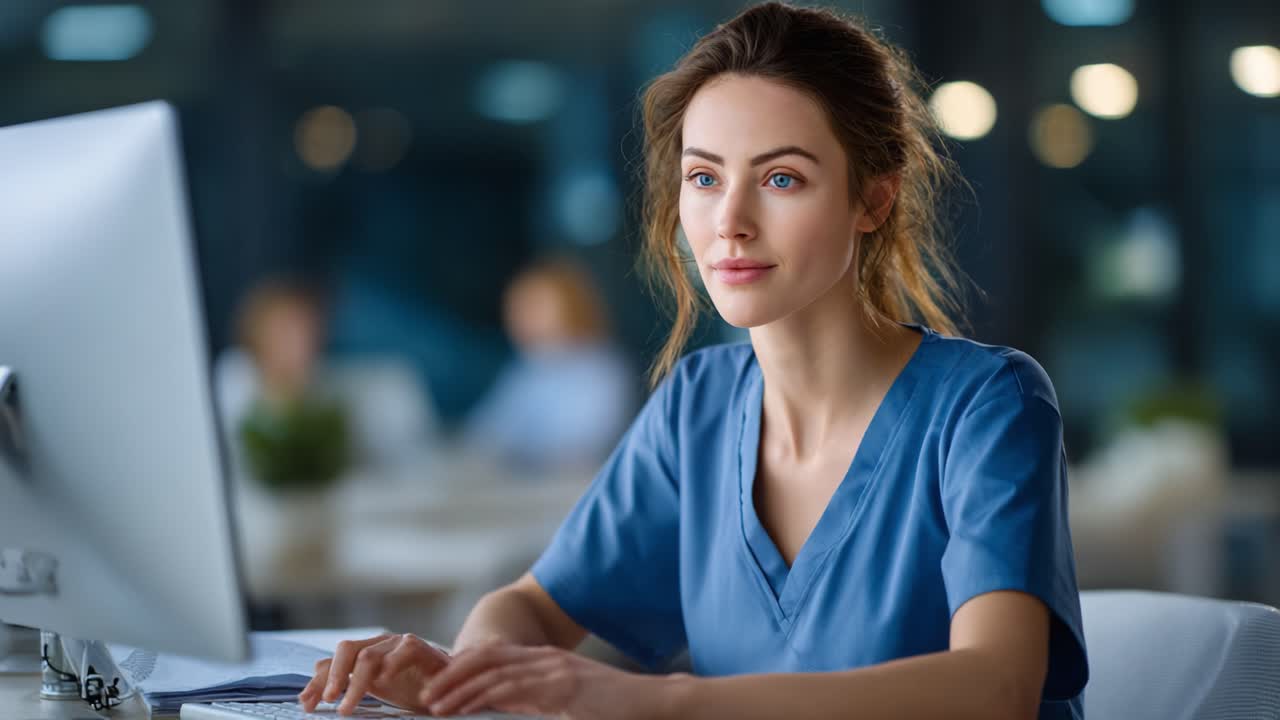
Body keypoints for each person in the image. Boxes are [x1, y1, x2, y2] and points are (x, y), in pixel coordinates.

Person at [299, 3, 1088, 718]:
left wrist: (667, 703)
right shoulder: (698, 405)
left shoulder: (988, 406)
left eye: (782, 178)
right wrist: (461, 678)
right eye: (704, 178)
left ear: (873, 199)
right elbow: (532, 609)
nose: (730, 223)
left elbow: (997, 687)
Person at [461, 259, 635, 471]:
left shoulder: (603, 368)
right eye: (517, 308)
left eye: (535, 306)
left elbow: (585, 446)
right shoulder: (527, 367)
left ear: (570, 304)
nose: (521, 317)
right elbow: (487, 434)